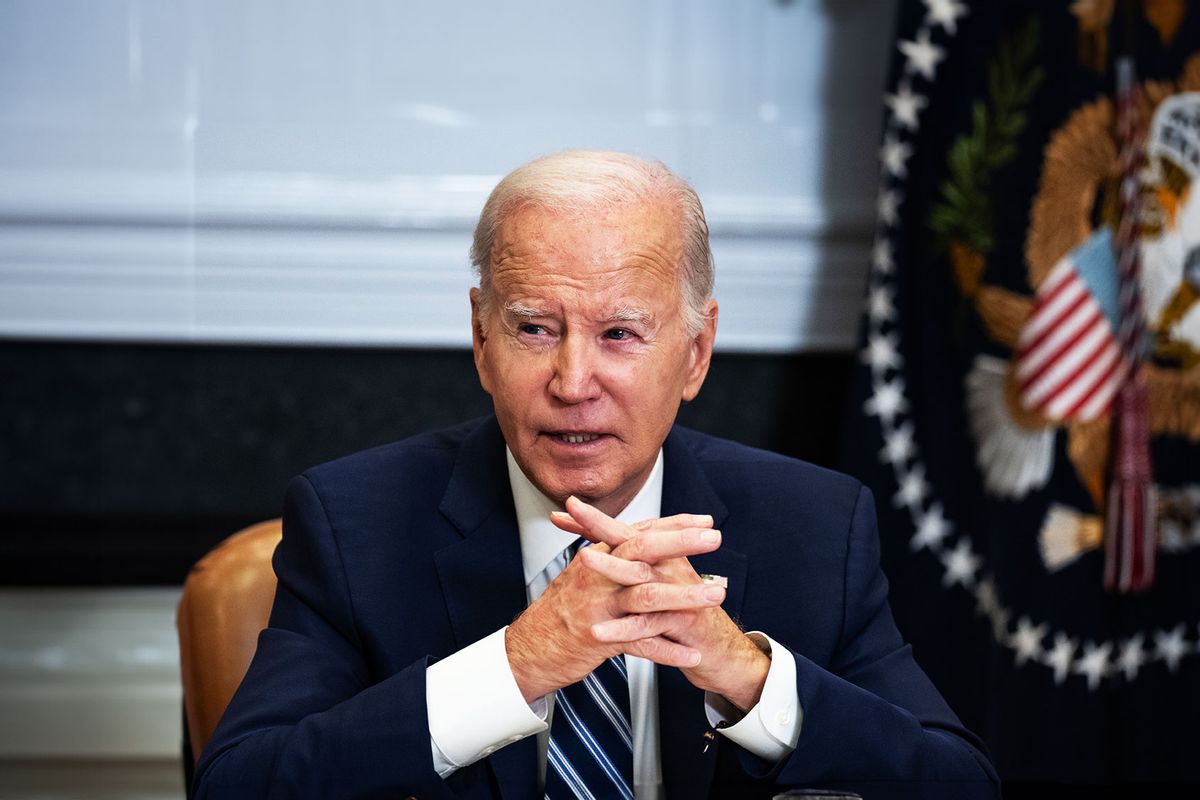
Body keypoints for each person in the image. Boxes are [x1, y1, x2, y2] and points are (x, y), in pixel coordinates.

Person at [193, 150, 999, 799]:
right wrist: (515, 664)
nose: (573, 382)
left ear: (695, 352)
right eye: (535, 328)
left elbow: (961, 785)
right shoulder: (351, 522)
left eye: (619, 333)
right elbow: (236, 785)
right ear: (481, 339)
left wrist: (746, 678)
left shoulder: (816, 524)